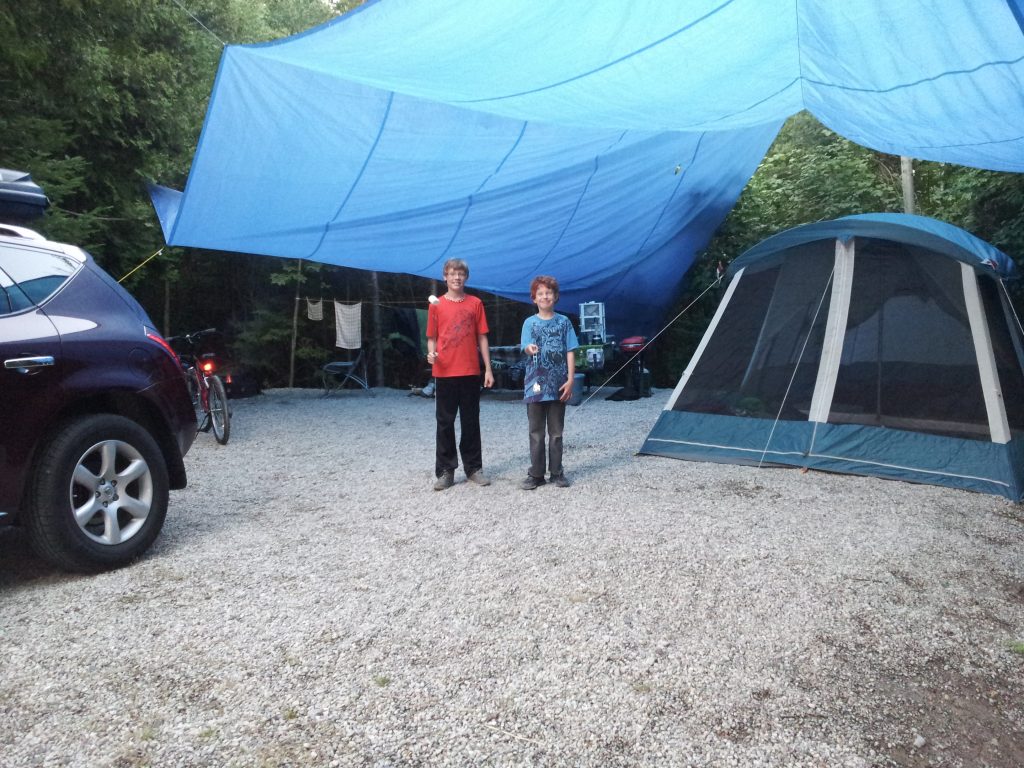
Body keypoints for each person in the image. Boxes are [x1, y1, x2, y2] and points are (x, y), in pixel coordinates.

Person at [426, 259, 494, 490]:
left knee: (470, 421)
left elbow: (482, 337)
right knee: (445, 422)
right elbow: (432, 336)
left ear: (466, 277)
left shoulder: (475, 303)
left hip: (470, 370)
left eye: (461, 274)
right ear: (445, 277)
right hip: (444, 371)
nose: (456, 277)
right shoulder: (436, 305)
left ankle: (474, 468)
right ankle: (446, 471)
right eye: (452, 274)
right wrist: (430, 354)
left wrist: (488, 369)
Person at [520, 275, 579, 490]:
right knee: (535, 430)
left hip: (559, 384)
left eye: (548, 292)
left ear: (555, 296)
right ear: (534, 298)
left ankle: (557, 472)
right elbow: (525, 345)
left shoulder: (564, 322)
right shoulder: (529, 323)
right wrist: (529, 349)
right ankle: (536, 474)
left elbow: (570, 351)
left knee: (556, 432)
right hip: (534, 383)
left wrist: (571, 379)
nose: (545, 296)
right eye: (540, 293)